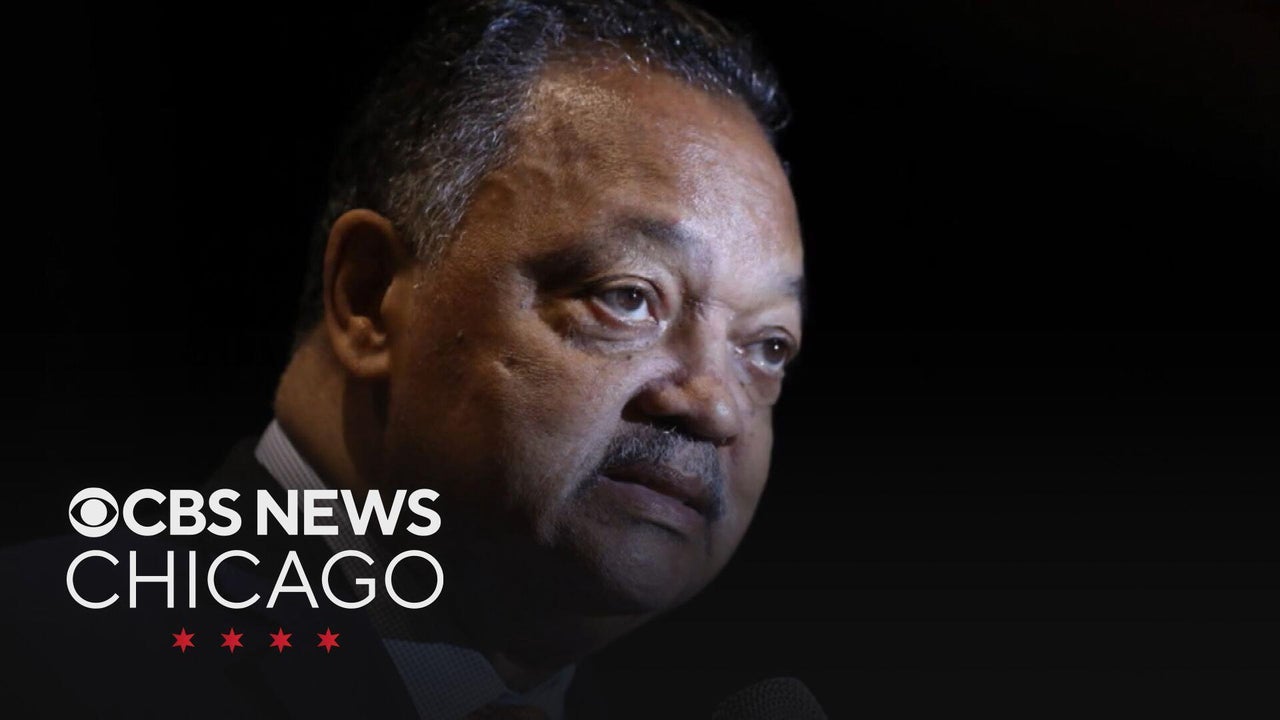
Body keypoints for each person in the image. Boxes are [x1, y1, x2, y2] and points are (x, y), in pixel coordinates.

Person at [2, 1, 805, 717]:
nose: (716, 405)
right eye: (628, 297)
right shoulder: (45, 659)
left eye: (767, 347)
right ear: (368, 296)